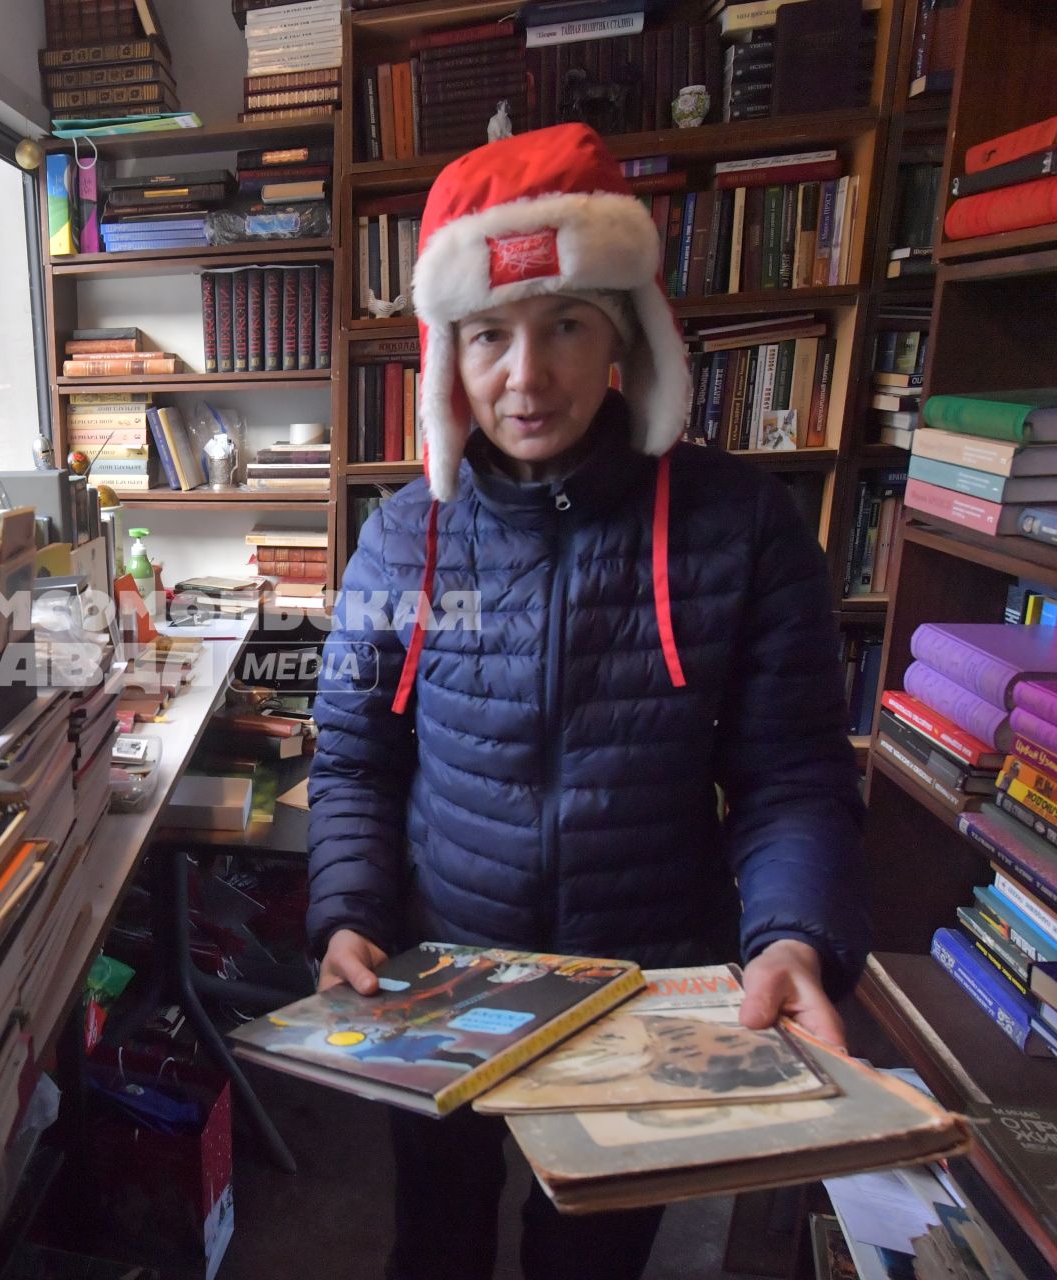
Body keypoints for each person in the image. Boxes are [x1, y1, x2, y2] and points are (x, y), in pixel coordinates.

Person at [306, 123, 868, 1280]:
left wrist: (795, 934)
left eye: (564, 322)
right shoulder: (403, 537)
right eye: (490, 337)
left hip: (646, 990)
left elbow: (793, 776)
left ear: (624, 332)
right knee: (436, 1249)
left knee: (592, 1263)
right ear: (447, 358)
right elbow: (359, 752)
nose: (528, 375)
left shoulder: (743, 530)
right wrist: (349, 907)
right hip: (443, 980)